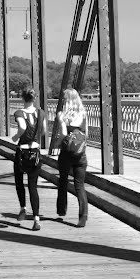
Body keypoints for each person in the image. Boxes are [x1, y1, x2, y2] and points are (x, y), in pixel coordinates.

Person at [51, 88, 89, 227]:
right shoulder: (83, 114)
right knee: (79, 185)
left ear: (65, 100)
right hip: (80, 154)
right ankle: (83, 216)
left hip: (66, 153)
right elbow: (86, 134)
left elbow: (62, 133)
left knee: (63, 181)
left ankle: (61, 210)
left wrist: (58, 144)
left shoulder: (62, 115)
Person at [12, 87, 44, 231]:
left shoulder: (19, 112)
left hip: (22, 152)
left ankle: (23, 208)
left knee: (19, 181)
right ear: (34, 98)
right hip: (35, 152)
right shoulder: (40, 113)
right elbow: (43, 131)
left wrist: (15, 137)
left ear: (22, 98)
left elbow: (23, 127)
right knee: (33, 186)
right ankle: (36, 219)